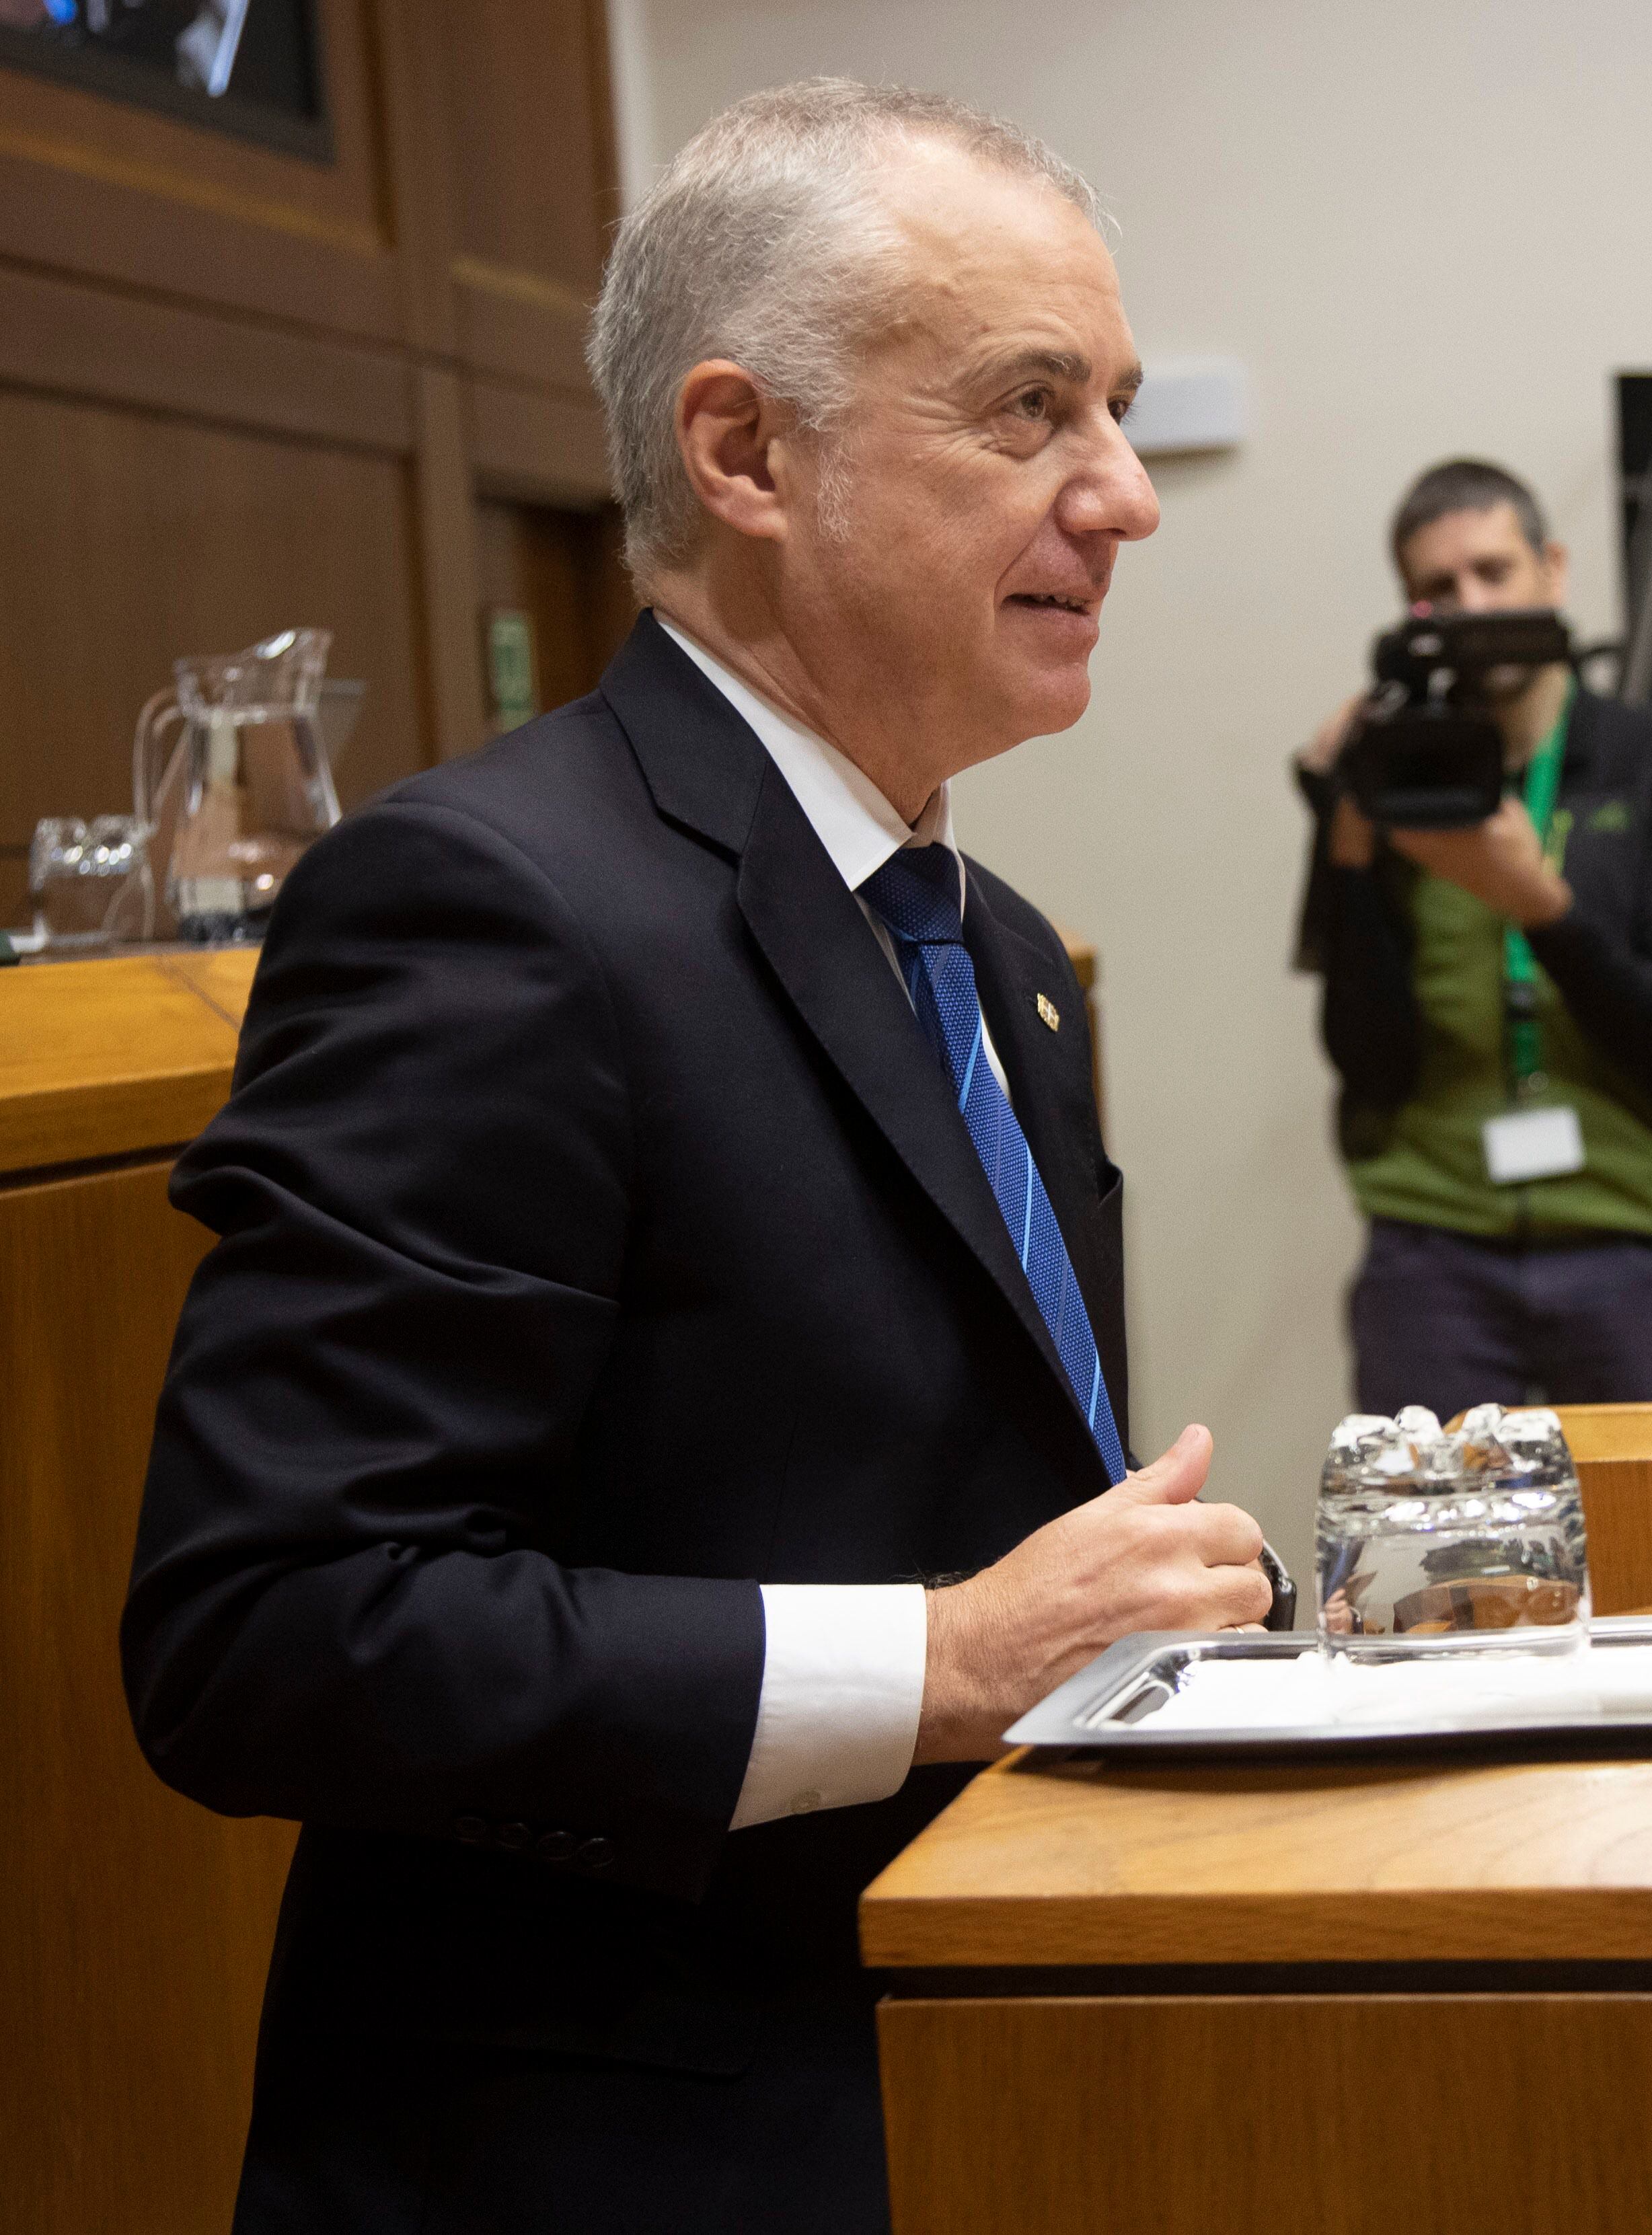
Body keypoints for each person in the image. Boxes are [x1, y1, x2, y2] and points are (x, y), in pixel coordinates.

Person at [120, 82, 1276, 2235]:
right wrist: (943, 1663)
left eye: (1113, 410)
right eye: (1031, 410)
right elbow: (268, 1633)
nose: (1120, 493)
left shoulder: (999, 950)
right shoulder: (486, 903)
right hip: (619, 2152)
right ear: (747, 454)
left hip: (991, 2080)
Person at [1295, 460, 1652, 1416]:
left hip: (1635, 1238)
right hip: (1431, 1240)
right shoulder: (1391, 771)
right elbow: (1360, 1053)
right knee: (1427, 1557)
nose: (1471, 605)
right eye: (1439, 589)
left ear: (1553, 567)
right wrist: (1344, 846)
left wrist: (1536, 903)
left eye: (1493, 572)